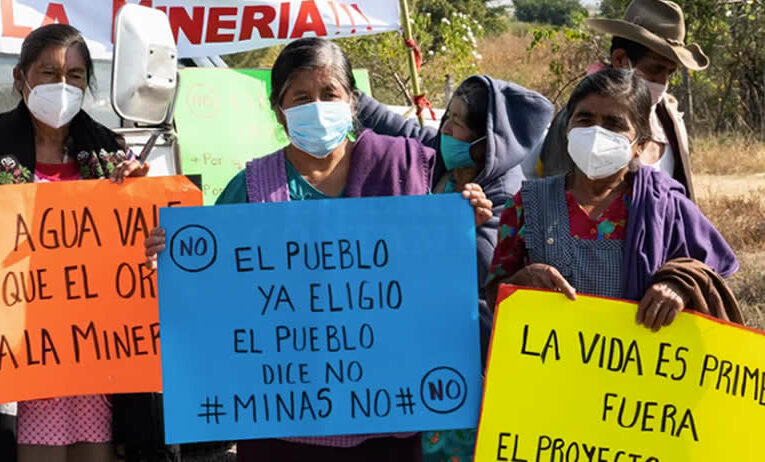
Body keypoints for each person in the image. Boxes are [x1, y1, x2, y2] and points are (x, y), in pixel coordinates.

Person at [144, 37, 492, 462]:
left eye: (329, 94)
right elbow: (213, 287)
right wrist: (174, 257)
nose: (317, 106)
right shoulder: (251, 189)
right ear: (279, 109)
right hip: (281, 428)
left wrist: (459, 226)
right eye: (301, 97)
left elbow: (429, 273)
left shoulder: (404, 167)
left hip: (385, 420)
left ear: (352, 102)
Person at [355, 76, 552, 462]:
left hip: (466, 348)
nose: (445, 128)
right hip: (414, 333)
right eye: (447, 117)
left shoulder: (504, 191)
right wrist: (348, 94)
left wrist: (466, 227)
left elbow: (484, 269)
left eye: (458, 122)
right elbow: (398, 126)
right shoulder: (441, 158)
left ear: (486, 140)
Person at [487, 68, 743, 331]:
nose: (596, 134)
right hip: (551, 362)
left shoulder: (664, 204)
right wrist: (521, 282)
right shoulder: (528, 203)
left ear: (641, 145)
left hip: (635, 364)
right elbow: (493, 293)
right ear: (567, 128)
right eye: (585, 120)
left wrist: (678, 285)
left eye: (614, 124)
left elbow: (712, 269)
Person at [0, 24, 149, 462]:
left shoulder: (112, 154)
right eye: (48, 73)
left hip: (90, 356)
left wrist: (140, 204)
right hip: (20, 357)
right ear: (20, 78)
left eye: (76, 76)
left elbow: (141, 250)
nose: (62, 86)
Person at [537, 0, 707, 201]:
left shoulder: (668, 117)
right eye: (655, 69)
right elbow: (553, 199)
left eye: (670, 72)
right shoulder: (581, 122)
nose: (663, 82)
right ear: (620, 60)